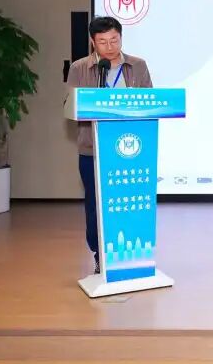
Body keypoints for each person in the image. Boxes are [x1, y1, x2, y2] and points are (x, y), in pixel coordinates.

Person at [66, 16, 153, 275]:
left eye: (114, 40)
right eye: (103, 42)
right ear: (93, 42)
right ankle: (99, 255)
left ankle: (133, 255)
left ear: (121, 37)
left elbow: (150, 100)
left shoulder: (138, 65)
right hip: (92, 149)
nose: (110, 46)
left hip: (131, 150)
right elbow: (71, 105)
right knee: (96, 204)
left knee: (130, 203)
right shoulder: (80, 68)